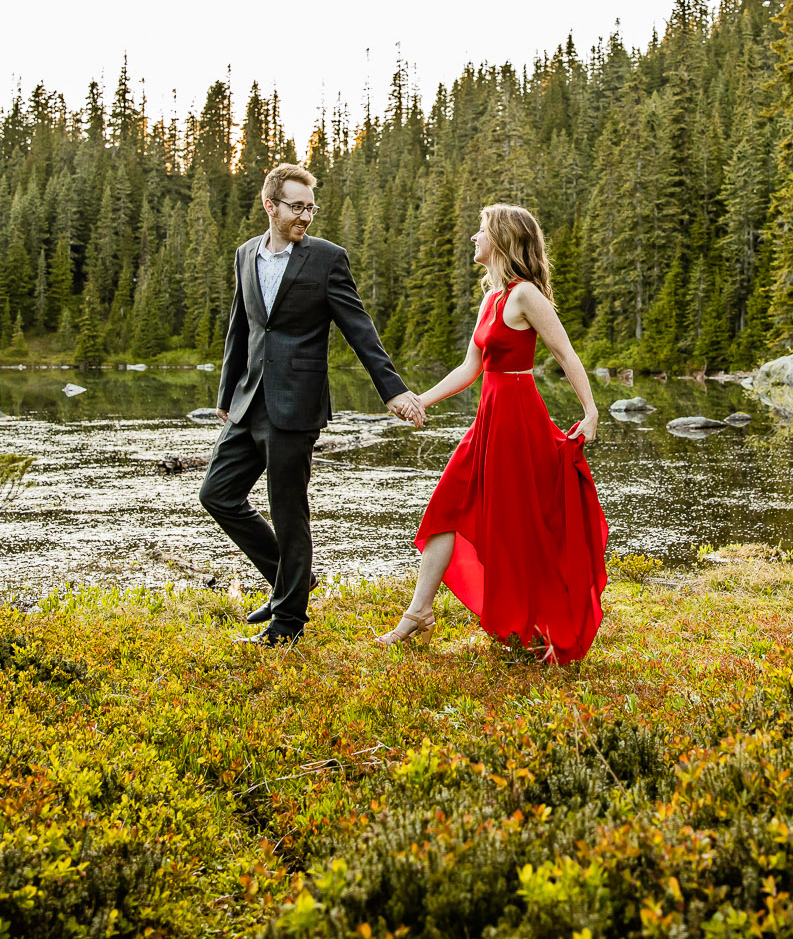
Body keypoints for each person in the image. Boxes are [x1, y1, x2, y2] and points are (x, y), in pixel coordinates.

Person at [201, 162, 425, 646]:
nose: (306, 215)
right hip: (249, 401)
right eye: (297, 206)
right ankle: (292, 580)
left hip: (296, 404)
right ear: (270, 206)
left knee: (288, 511)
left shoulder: (327, 258)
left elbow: (358, 326)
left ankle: (288, 623)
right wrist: (225, 393)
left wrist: (394, 390)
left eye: (310, 207)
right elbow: (240, 327)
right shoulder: (245, 255)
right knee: (217, 494)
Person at [376, 203, 608, 662]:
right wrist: (422, 399)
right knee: (446, 505)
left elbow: (565, 354)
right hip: (489, 421)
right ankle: (419, 611)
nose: (473, 238)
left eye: (481, 230)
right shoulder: (491, 299)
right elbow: (471, 368)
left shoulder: (525, 296)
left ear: (501, 239)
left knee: (526, 526)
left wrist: (591, 409)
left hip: (520, 423)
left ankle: (544, 619)